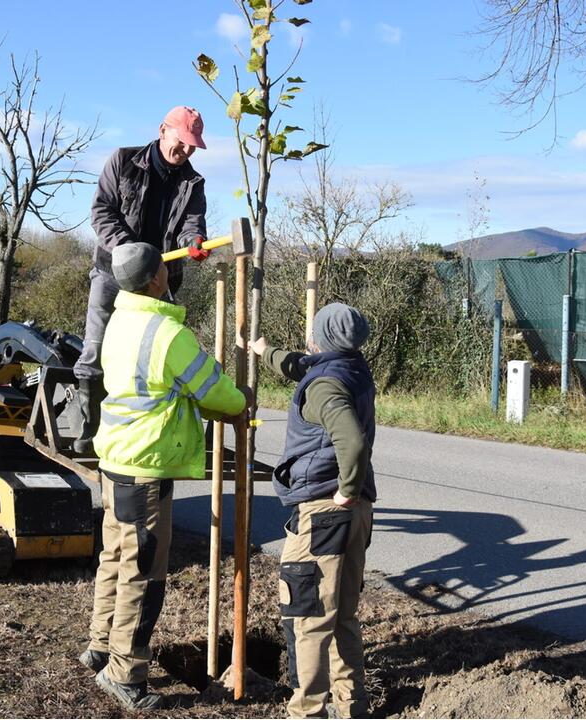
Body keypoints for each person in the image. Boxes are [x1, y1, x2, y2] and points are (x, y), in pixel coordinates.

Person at [80, 242, 249, 711]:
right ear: (157, 278)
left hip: (115, 459)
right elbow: (219, 394)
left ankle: (99, 644)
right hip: (146, 466)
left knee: (114, 557)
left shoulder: (119, 319)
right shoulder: (167, 334)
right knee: (144, 575)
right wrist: (240, 401)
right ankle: (124, 673)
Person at [249, 303, 377, 719]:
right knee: (342, 615)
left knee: (309, 617)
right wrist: (262, 350)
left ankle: (306, 711)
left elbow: (351, 443)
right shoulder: (350, 366)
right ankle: (352, 707)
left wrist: (344, 491)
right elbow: (300, 365)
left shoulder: (324, 387)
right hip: (357, 514)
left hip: (326, 511)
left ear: (319, 337)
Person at [71, 106, 213, 454]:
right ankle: (87, 435)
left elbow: (192, 224)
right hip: (112, 272)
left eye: (193, 146)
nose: (187, 151)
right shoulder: (123, 161)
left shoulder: (193, 183)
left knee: (163, 352)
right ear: (163, 130)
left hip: (160, 279)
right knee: (96, 349)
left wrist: (194, 242)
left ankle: (157, 436)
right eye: (182, 142)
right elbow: (101, 211)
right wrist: (128, 251)